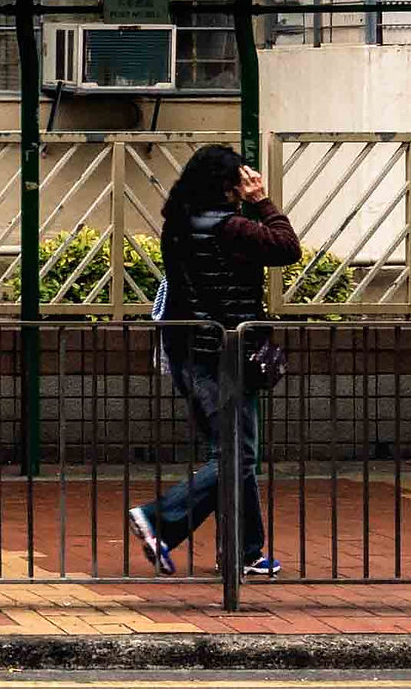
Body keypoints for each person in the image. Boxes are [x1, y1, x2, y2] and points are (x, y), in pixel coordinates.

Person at [127, 140, 300, 579]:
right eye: (239, 179)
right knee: (236, 456)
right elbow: (286, 248)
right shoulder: (230, 227)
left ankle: (245, 552)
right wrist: (262, 201)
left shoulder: (178, 223)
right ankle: (159, 519)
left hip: (189, 348)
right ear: (227, 184)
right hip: (223, 352)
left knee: (234, 453)